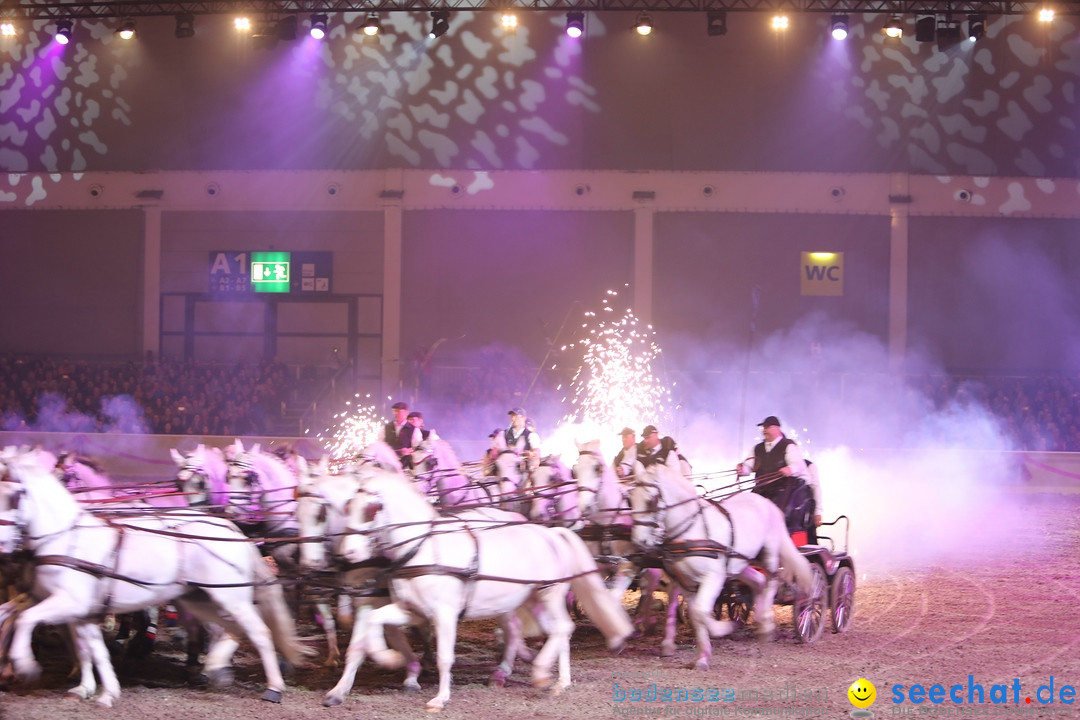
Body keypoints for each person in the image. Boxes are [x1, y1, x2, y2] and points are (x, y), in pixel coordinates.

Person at [735, 415, 819, 542]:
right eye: (763, 427)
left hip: (783, 492)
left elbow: (799, 465)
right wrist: (743, 469)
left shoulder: (788, 446)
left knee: (773, 513)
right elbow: (749, 467)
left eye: (767, 427)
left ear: (777, 428)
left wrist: (789, 469)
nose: (764, 430)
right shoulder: (757, 448)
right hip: (761, 490)